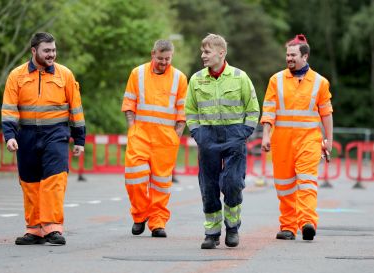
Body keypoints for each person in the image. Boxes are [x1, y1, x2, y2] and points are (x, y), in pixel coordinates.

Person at [1, 32, 86, 245]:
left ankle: (53, 228)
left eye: (54, 50)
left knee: (54, 180)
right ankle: (35, 230)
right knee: (29, 182)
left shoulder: (64, 74)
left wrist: (79, 139)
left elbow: (76, 108)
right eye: (47, 51)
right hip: (26, 135)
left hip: (56, 133)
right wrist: (10, 136)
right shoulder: (16, 76)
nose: (52, 55)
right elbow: (9, 109)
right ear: (34, 51)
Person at [185, 34, 260, 249]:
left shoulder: (239, 77)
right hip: (207, 138)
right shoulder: (197, 79)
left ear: (221, 53)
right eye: (202, 52)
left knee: (233, 183)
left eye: (207, 52)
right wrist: (197, 133)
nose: (203, 56)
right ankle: (212, 233)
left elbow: (253, 108)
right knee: (208, 187)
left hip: (234, 136)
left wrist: (244, 132)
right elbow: (190, 110)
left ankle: (233, 228)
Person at [260, 34, 333, 241]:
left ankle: (307, 222)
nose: (289, 58)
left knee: (307, 181)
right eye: (287, 55)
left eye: (293, 55)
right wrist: (266, 135)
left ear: (305, 56)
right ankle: (288, 227)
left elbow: (326, 114)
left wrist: (328, 140)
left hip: (309, 140)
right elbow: (269, 111)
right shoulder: (276, 80)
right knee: (284, 186)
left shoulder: (320, 82)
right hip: (281, 141)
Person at [121, 39, 187, 238]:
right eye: (160, 58)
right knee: (135, 179)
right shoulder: (137, 74)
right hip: (140, 136)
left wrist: (176, 135)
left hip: (166, 141)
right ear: (152, 54)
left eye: (167, 59)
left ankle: (158, 222)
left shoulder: (179, 78)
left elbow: (182, 113)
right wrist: (132, 129)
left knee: (160, 183)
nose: (164, 62)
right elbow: (129, 105)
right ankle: (140, 215)